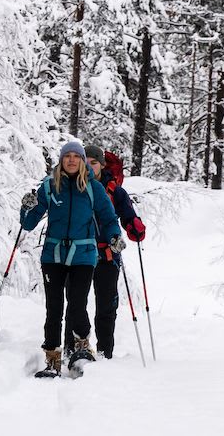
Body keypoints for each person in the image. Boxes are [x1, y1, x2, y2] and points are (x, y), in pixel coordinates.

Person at [19, 138, 122, 377]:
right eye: (68, 157)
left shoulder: (93, 188)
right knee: (53, 308)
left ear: (83, 162)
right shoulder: (49, 186)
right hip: (53, 256)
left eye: (76, 157)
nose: (72, 160)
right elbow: (29, 222)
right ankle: (52, 358)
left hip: (84, 256)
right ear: (62, 160)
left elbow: (108, 219)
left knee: (77, 305)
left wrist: (115, 237)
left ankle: (81, 348)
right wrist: (27, 207)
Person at [82, 144, 146, 359]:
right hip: (79, 254)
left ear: (101, 164)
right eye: (86, 163)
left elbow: (128, 214)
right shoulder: (74, 187)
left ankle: (104, 353)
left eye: (94, 163)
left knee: (106, 308)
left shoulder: (114, 190)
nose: (90, 167)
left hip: (107, 254)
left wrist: (134, 226)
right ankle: (76, 350)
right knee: (76, 305)